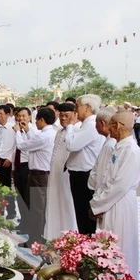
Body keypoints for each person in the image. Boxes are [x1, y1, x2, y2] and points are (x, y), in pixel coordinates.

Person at [90, 111, 140, 280]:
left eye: (111, 124)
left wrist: (97, 205)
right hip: (109, 202)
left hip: (120, 203)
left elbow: (119, 185)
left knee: (120, 244)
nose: (108, 128)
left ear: (118, 126)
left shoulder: (132, 151)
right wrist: (99, 203)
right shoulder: (118, 147)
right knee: (106, 244)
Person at [14, 108, 56, 246]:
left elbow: (22, 145)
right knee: (38, 207)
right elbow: (33, 139)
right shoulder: (48, 133)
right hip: (40, 174)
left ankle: (35, 239)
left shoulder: (44, 135)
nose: (35, 122)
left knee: (36, 208)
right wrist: (26, 131)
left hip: (39, 175)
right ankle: (39, 235)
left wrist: (17, 132)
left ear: (42, 120)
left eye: (36, 119)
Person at [65, 94, 105, 235]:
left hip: (84, 175)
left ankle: (87, 246)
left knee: (85, 215)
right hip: (80, 174)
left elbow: (71, 145)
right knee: (81, 214)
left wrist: (70, 126)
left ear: (88, 107)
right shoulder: (86, 124)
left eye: (78, 106)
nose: (75, 109)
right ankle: (85, 244)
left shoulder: (91, 125)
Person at [43, 103, 79, 240]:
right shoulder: (59, 131)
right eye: (61, 115)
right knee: (53, 203)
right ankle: (53, 235)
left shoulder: (76, 130)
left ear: (74, 115)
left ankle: (70, 237)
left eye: (67, 116)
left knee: (67, 205)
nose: (63, 118)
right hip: (54, 174)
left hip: (66, 175)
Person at [12, 107, 33, 233]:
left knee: (27, 197)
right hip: (18, 164)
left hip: (27, 165)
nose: (21, 118)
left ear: (30, 117)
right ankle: (23, 221)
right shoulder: (16, 129)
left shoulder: (33, 130)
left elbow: (24, 146)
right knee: (19, 195)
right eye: (19, 116)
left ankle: (28, 224)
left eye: (23, 116)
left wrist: (19, 132)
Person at [88, 106, 118, 194]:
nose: (95, 125)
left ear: (102, 123)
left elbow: (103, 174)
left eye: (96, 122)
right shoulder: (109, 142)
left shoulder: (109, 145)